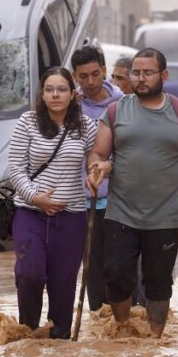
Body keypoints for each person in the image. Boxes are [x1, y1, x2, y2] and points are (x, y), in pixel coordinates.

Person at [87, 48, 178, 339]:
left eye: (147, 73)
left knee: (158, 285)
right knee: (117, 277)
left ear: (163, 75)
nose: (140, 79)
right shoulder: (116, 111)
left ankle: (155, 340)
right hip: (121, 213)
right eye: (136, 73)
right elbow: (98, 152)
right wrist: (97, 169)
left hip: (164, 216)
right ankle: (123, 331)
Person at [8, 67, 97, 339]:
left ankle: (59, 342)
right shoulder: (27, 122)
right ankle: (29, 334)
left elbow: (99, 158)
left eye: (61, 90)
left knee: (64, 284)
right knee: (30, 274)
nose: (55, 95)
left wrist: (95, 174)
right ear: (42, 94)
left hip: (71, 218)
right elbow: (15, 169)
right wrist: (36, 198)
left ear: (73, 94)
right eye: (49, 89)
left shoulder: (86, 126)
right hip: (30, 212)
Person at [71, 46, 123, 313]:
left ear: (104, 70)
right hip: (83, 202)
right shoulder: (71, 107)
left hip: (119, 201)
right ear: (75, 76)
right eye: (83, 76)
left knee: (119, 266)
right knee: (91, 268)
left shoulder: (123, 105)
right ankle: (99, 320)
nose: (90, 82)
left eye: (95, 74)